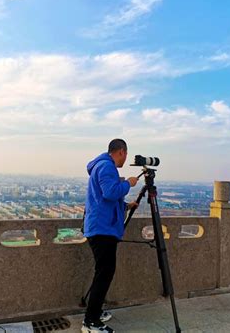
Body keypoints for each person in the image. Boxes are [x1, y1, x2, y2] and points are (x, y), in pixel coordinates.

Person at [82, 139, 139, 333]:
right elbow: (109, 193)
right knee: (104, 273)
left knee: (103, 272)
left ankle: (95, 312)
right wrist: (128, 184)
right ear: (121, 151)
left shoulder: (102, 165)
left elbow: (103, 201)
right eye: (126, 155)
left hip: (102, 227)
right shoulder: (107, 166)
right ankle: (90, 322)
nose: (125, 159)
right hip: (102, 229)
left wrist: (125, 206)